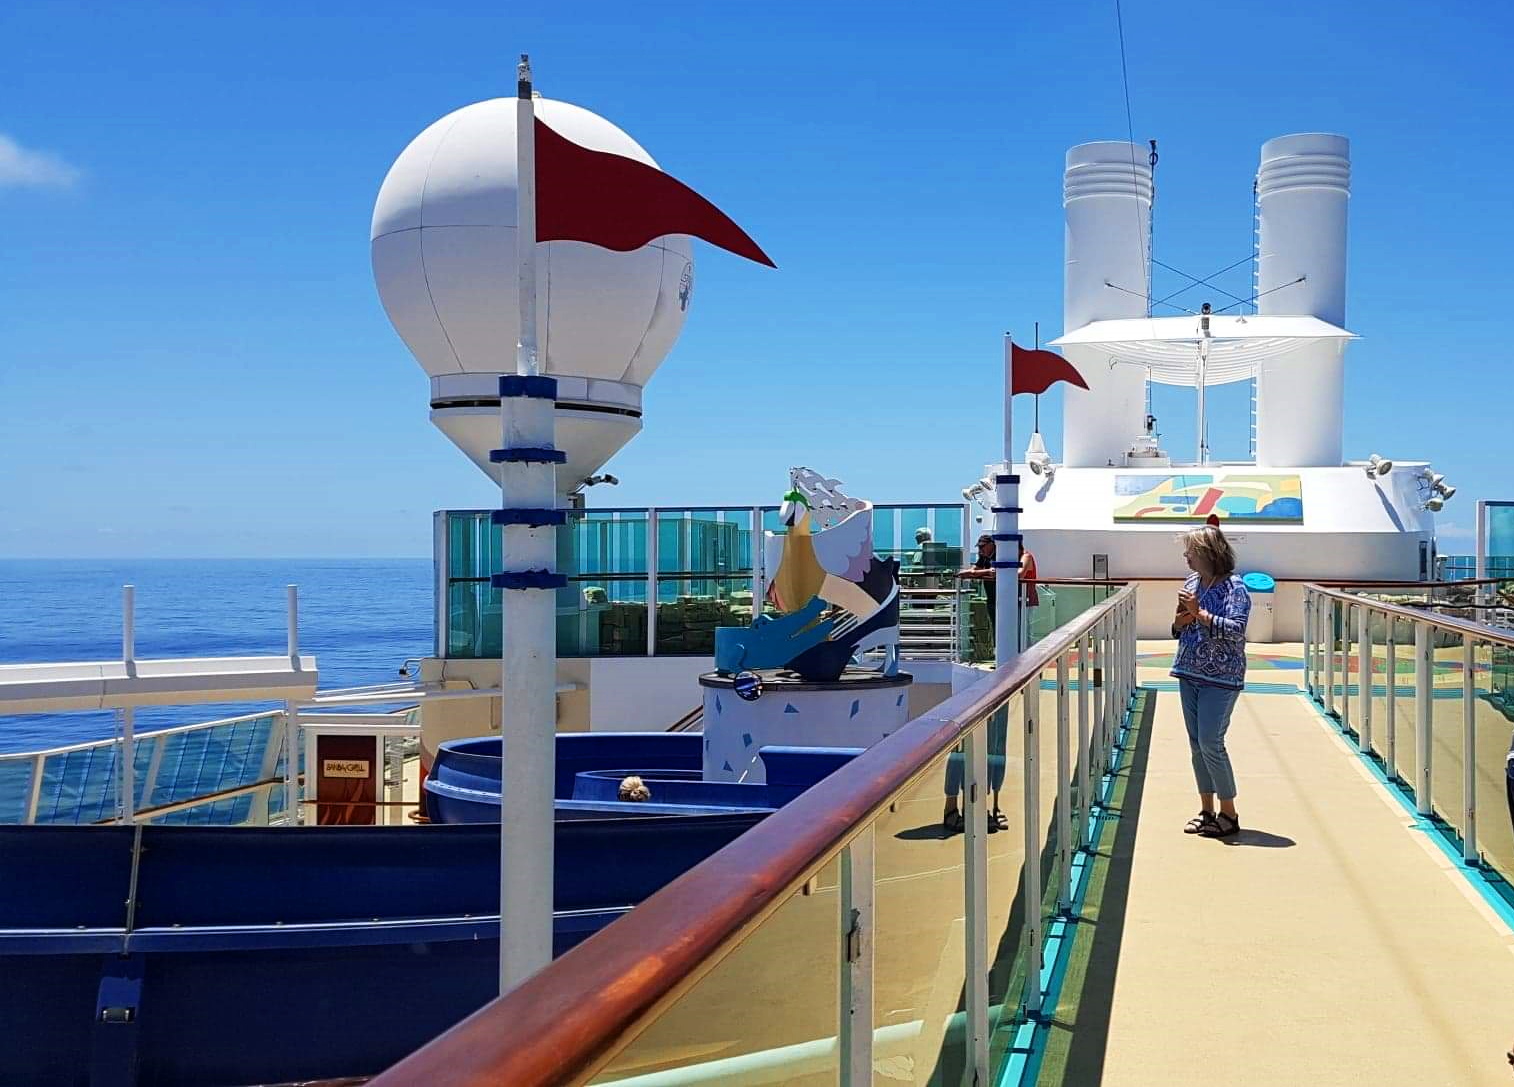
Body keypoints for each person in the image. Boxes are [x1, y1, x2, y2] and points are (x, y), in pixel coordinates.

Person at [1171, 524, 1251, 838]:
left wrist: (1200, 613)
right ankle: (1206, 810)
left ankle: (1228, 813)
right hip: (1188, 671)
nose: (1186, 556)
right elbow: (1179, 626)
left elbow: (1236, 630)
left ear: (1207, 553)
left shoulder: (1235, 587)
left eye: (1190, 550)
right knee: (1196, 744)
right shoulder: (1192, 582)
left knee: (1211, 743)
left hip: (1221, 676)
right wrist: (1180, 621)